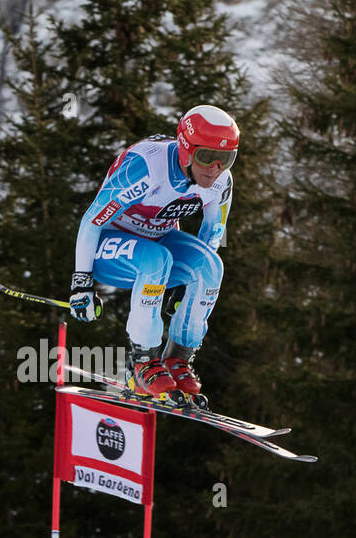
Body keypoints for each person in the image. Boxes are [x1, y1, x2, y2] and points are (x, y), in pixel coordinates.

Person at [68, 104, 237, 403]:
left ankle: (177, 360)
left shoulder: (221, 182)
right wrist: (81, 282)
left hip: (157, 239)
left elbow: (212, 235)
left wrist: (186, 286)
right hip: (108, 242)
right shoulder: (146, 167)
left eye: (226, 158)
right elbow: (92, 220)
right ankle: (143, 362)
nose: (215, 168)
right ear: (186, 149)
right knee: (155, 260)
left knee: (211, 267)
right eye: (206, 157)